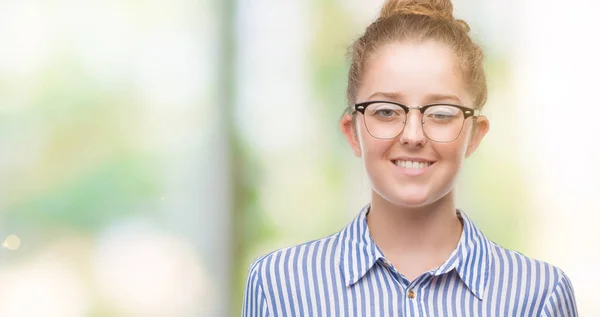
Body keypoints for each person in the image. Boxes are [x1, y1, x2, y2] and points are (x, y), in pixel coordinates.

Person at [241, 0, 578, 315]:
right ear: (352, 132)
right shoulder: (279, 286)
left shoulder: (539, 295)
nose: (413, 135)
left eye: (441, 113)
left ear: (475, 134)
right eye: (386, 111)